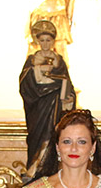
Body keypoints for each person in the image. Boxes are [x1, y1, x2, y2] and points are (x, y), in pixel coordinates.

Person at [19, 20, 76, 170]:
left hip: (55, 105)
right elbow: (24, 84)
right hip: (38, 107)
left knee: (53, 134)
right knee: (38, 136)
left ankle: (50, 167)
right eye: (42, 40)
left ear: (53, 41)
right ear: (37, 41)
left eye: (48, 40)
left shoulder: (59, 60)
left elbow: (67, 83)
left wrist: (68, 97)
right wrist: (37, 72)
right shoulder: (32, 60)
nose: (45, 44)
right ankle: (34, 168)